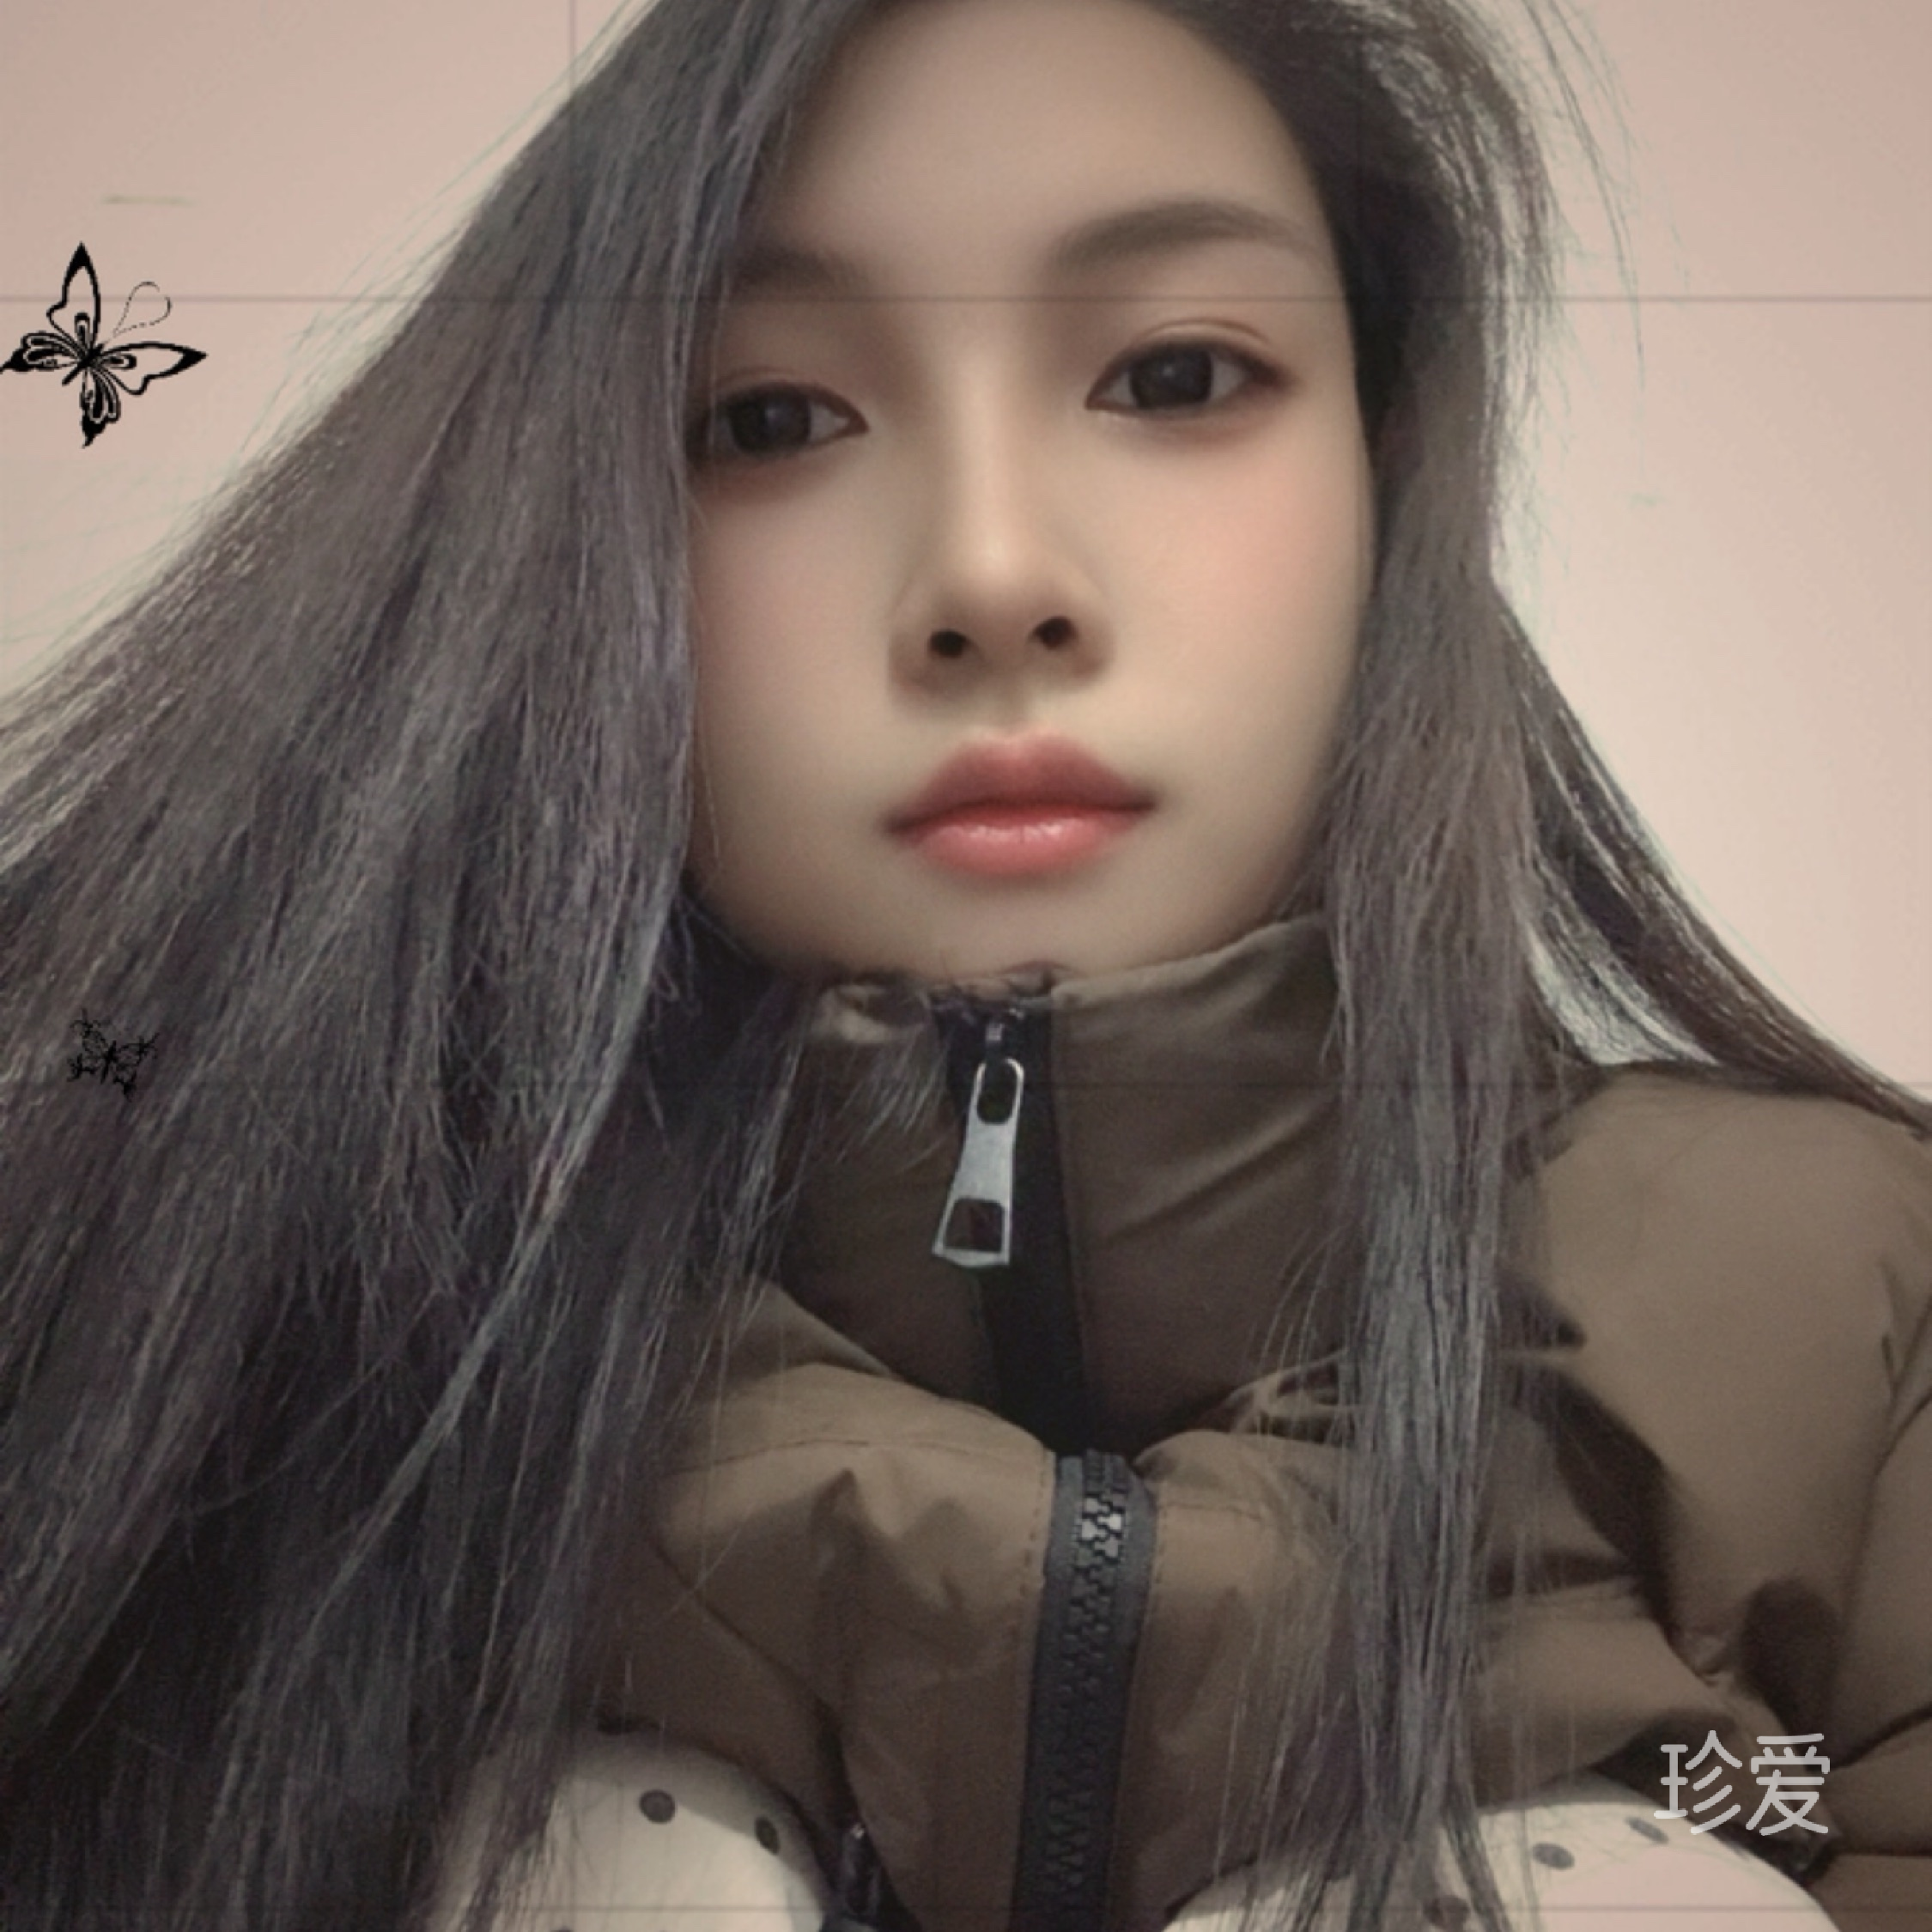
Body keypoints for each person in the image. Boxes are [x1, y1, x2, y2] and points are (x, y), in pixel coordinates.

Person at [0, 2, 1923, 1931]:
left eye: (1176, 374)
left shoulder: (1844, 1318)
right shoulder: (252, 1327)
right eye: (771, 419)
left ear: (1388, 463)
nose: (995, 578)